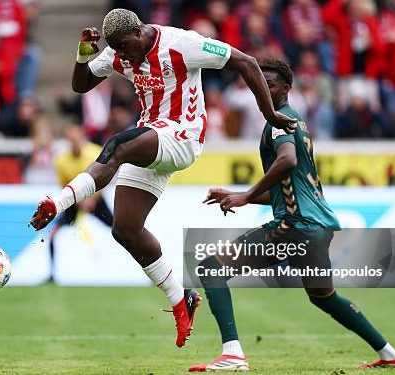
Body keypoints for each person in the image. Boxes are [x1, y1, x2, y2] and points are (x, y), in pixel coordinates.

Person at [29, 8, 296, 348]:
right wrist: (84, 54)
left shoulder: (183, 44)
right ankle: (181, 298)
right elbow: (80, 85)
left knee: (116, 145)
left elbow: (245, 61)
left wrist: (268, 113)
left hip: (182, 136)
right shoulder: (117, 50)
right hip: (151, 138)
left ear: (140, 32)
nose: (123, 56)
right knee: (125, 229)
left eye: (126, 47)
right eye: (118, 51)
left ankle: (58, 201)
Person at [189, 59, 395, 371]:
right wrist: (241, 197)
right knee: (323, 296)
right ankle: (392, 355)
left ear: (287, 89)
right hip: (316, 226)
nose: (264, 88)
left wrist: (245, 195)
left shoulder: (279, 121)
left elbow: (287, 161)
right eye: (260, 83)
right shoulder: (298, 122)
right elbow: (289, 187)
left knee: (211, 268)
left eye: (272, 84)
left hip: (295, 226)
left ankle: (233, 355)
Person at [48, 123, 113, 283]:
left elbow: (104, 179)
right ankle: (52, 274)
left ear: (82, 136)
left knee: (121, 232)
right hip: (75, 201)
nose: (74, 141)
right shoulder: (61, 160)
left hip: (95, 199)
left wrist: (92, 199)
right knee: (53, 234)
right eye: (71, 138)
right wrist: (79, 201)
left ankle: (144, 269)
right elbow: (63, 185)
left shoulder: (94, 152)